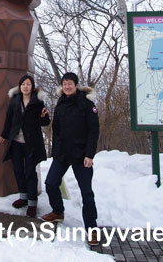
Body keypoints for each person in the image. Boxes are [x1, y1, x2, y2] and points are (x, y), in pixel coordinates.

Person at [41, 72, 100, 246]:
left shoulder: (87, 105)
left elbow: (94, 131)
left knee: (86, 193)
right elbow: (56, 128)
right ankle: (58, 211)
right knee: (51, 183)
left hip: (82, 155)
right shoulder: (60, 103)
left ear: (76, 85)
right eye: (64, 83)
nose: (67, 86)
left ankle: (92, 229)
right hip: (62, 154)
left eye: (70, 83)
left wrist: (90, 154)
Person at [0, 74, 50, 217]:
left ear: (32, 87)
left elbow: (45, 122)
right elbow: (9, 119)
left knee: (30, 172)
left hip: (31, 143)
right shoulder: (15, 101)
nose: (25, 87)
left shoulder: (38, 102)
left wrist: (45, 117)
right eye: (23, 84)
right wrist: (4, 134)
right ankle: (23, 197)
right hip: (16, 142)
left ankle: (32, 202)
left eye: (28, 84)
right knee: (18, 170)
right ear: (20, 87)